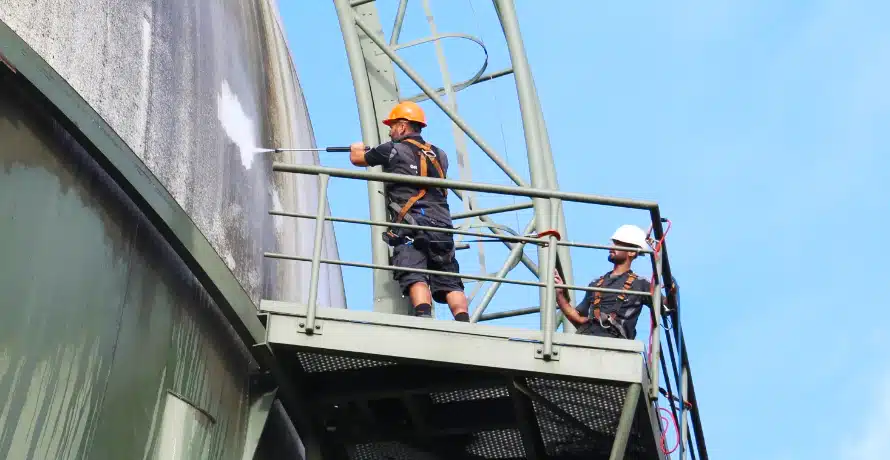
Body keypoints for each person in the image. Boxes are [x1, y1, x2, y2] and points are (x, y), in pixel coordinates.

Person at [349, 101, 470, 321]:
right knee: (450, 279)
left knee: (414, 274)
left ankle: (423, 319)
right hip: (443, 226)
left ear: (403, 126)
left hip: (412, 225)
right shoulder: (440, 154)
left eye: (393, 125)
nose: (390, 130)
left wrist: (357, 147)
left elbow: (358, 159)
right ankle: (464, 322)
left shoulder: (392, 149)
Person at [554, 224, 654, 340]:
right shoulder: (596, 284)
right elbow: (578, 319)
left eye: (618, 244)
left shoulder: (640, 285)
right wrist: (559, 295)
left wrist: (671, 287)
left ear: (632, 252)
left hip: (618, 346)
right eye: (613, 243)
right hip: (588, 342)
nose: (611, 247)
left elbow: (666, 306)